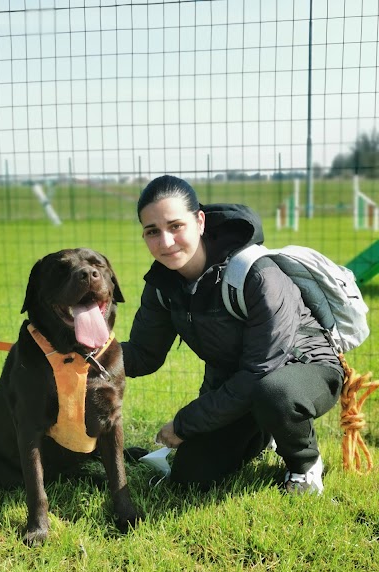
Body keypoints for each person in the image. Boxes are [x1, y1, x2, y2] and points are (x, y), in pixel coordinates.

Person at [121, 175, 344, 493]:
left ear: (199, 221)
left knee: (275, 393)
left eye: (175, 226)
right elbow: (143, 355)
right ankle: (262, 432)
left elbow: (260, 371)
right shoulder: (162, 286)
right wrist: (83, 354)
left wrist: (186, 422)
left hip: (303, 369)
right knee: (191, 476)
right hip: (242, 384)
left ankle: (304, 464)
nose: (166, 242)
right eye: (152, 231)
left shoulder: (255, 273)